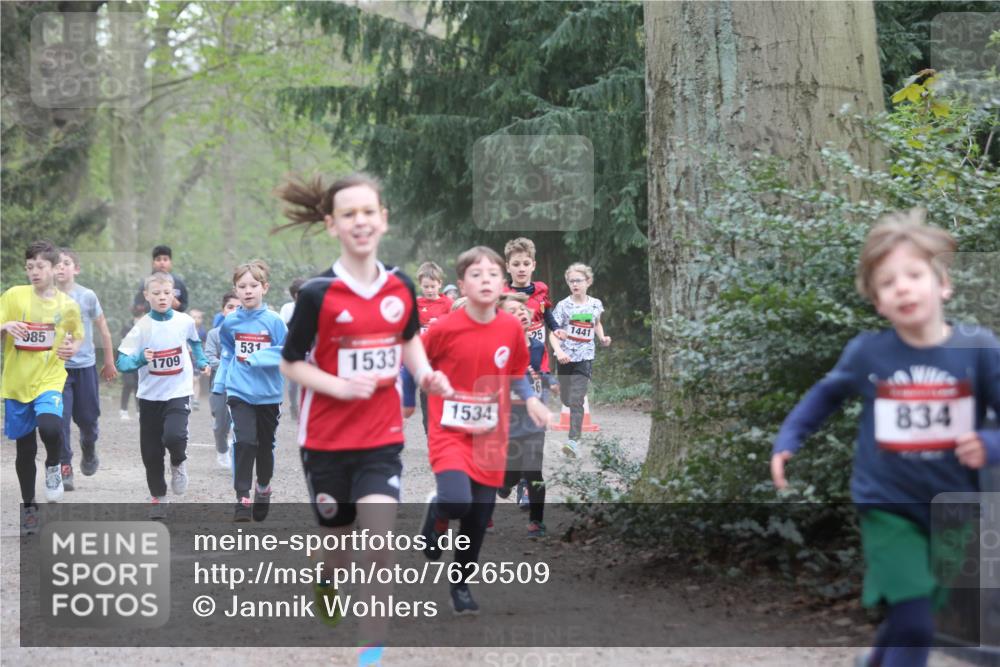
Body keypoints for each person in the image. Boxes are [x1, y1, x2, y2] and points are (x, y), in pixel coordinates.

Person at [770, 210, 1000, 667]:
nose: (903, 287)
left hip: (955, 508)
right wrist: (789, 438)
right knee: (915, 621)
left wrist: (990, 445)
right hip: (887, 506)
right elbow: (825, 394)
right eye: (888, 282)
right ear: (878, 301)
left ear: (943, 285)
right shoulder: (868, 353)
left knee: (918, 612)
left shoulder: (980, 350)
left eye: (915, 275)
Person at [277, 173, 450, 665]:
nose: (360, 222)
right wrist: (336, 386)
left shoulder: (401, 285)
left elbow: (408, 338)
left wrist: (426, 373)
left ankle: (370, 650)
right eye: (349, 214)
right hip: (326, 441)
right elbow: (290, 361)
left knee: (378, 542)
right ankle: (326, 577)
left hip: (381, 436)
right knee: (337, 542)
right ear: (332, 224)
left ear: (383, 220)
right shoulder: (316, 294)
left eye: (368, 212)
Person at [420, 246, 551, 615]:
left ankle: (460, 584)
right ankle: (438, 512)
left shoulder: (510, 327)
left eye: (493, 274)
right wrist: (420, 387)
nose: (486, 280)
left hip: (491, 433)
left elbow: (516, 373)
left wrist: (534, 399)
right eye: (476, 275)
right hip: (450, 430)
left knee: (478, 515)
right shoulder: (444, 328)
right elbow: (415, 363)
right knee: (457, 500)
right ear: (461, 284)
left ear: (502, 283)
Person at [2, 241, 83, 535]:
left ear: (54, 268)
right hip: (16, 384)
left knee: (50, 428)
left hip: (50, 379)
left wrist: (72, 347)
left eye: (40, 266)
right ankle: (29, 508)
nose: (34, 272)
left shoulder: (67, 305)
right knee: (24, 450)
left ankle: (53, 466)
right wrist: (6, 326)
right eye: (30, 267)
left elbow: (77, 336)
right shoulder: (13, 296)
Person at [117, 272, 209, 519]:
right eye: (156, 293)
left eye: (167, 293)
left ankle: (178, 462)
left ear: (174, 295)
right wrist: (139, 358)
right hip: (149, 397)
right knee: (151, 452)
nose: (162, 298)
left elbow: (195, 342)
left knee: (174, 436)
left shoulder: (184, 321)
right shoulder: (141, 327)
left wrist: (201, 361)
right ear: (146, 296)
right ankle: (159, 497)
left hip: (178, 391)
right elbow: (122, 362)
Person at [213, 260, 288, 522]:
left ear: (264, 288)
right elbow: (228, 352)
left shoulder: (275, 322)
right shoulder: (230, 322)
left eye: (253, 285)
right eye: (242, 286)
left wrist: (259, 358)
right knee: (244, 442)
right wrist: (220, 383)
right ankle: (242, 497)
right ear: (235, 289)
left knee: (265, 446)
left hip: (269, 393)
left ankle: (263, 487)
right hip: (239, 390)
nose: (248, 291)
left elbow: (288, 352)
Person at [53, 247, 117, 489]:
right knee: (60, 419)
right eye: (56, 263)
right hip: (57, 369)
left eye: (66, 263)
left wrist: (109, 361)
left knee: (88, 419)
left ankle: (88, 447)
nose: (60, 267)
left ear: (76, 269)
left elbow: (103, 330)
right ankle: (64, 466)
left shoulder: (87, 296)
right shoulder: (45, 298)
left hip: (86, 367)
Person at [497, 293, 553, 537]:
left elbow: (540, 371)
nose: (520, 313)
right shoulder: (499, 349)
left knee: (533, 470)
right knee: (510, 471)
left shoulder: (538, 346)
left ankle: (536, 520)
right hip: (509, 420)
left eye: (521, 309)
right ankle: (505, 483)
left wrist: (551, 381)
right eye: (512, 312)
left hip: (534, 420)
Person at [549, 262, 612, 457]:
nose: (575, 284)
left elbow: (597, 323)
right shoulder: (563, 306)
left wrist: (602, 337)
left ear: (588, 282)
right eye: (571, 281)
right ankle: (566, 399)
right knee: (567, 399)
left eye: (579, 280)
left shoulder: (595, 304)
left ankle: (573, 441)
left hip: (585, 357)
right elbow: (553, 333)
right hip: (566, 359)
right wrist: (559, 352)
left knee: (577, 399)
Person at [400, 261, 453, 427]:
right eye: (426, 286)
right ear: (420, 285)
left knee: (436, 399)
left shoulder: (448, 304)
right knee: (419, 396)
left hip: (439, 357)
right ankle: (402, 416)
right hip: (420, 356)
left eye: (432, 286)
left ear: (440, 284)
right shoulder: (416, 304)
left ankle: (442, 428)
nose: (429, 290)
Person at [504, 237, 558, 371]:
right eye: (516, 264)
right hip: (514, 352)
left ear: (533, 265)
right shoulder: (503, 295)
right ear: (508, 267)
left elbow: (546, 314)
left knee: (542, 386)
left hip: (538, 351)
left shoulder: (541, 290)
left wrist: (556, 329)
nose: (521, 269)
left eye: (526, 264)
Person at [205, 292, 240, 468]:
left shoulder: (249, 334)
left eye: (238, 307)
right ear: (223, 310)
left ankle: (239, 451)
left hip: (244, 385)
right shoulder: (214, 334)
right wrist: (231, 366)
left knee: (241, 422)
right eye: (230, 307)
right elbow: (209, 357)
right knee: (220, 424)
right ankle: (221, 450)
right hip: (220, 385)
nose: (234, 310)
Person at [279, 278, 307, 419]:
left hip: (309, 350)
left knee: (307, 382)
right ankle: (293, 406)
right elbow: (283, 328)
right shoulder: (287, 308)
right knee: (292, 386)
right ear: (295, 295)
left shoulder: (313, 306)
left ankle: (305, 409)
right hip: (294, 351)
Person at [132, 245, 189, 313]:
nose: (162, 262)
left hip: (174, 321)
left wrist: (178, 305)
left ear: (170, 263)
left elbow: (184, 305)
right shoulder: (146, 283)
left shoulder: (178, 282)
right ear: (153, 263)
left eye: (165, 259)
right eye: (158, 259)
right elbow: (137, 306)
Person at [119, 304, 145, 420]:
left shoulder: (147, 327)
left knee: (138, 385)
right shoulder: (127, 326)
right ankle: (123, 410)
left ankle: (139, 410)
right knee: (128, 384)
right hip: (128, 359)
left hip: (140, 359)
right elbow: (123, 344)